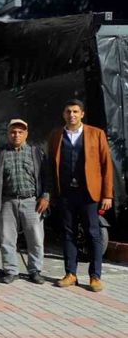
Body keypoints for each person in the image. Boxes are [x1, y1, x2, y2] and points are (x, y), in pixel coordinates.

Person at [49, 99, 114, 292]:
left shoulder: (96, 134)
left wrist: (107, 194)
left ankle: (95, 276)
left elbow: (106, 165)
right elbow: (51, 168)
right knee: (68, 233)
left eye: (76, 111)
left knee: (93, 233)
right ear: (64, 114)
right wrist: (52, 193)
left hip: (89, 193)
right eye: (68, 111)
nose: (72, 115)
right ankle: (71, 273)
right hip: (66, 193)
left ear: (82, 114)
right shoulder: (56, 135)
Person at [0, 119, 51, 285]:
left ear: (26, 134)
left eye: (20, 132)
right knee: (7, 238)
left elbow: (47, 177)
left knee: (35, 238)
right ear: (8, 134)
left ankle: (35, 270)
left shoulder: (36, 152)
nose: (16, 135)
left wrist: (46, 196)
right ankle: (10, 271)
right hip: (7, 201)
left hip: (32, 202)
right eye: (13, 132)